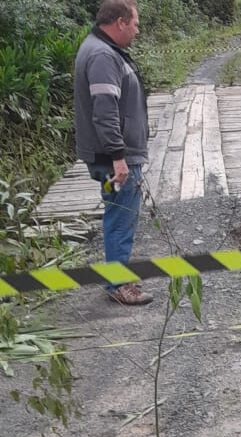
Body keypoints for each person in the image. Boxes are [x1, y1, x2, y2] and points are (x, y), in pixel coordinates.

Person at [74, 0, 152, 305]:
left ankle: (117, 278)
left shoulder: (101, 48)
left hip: (112, 157)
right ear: (119, 21)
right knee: (121, 214)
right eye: (134, 23)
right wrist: (119, 157)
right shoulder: (103, 55)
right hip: (114, 161)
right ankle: (118, 285)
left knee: (117, 211)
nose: (137, 29)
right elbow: (104, 113)